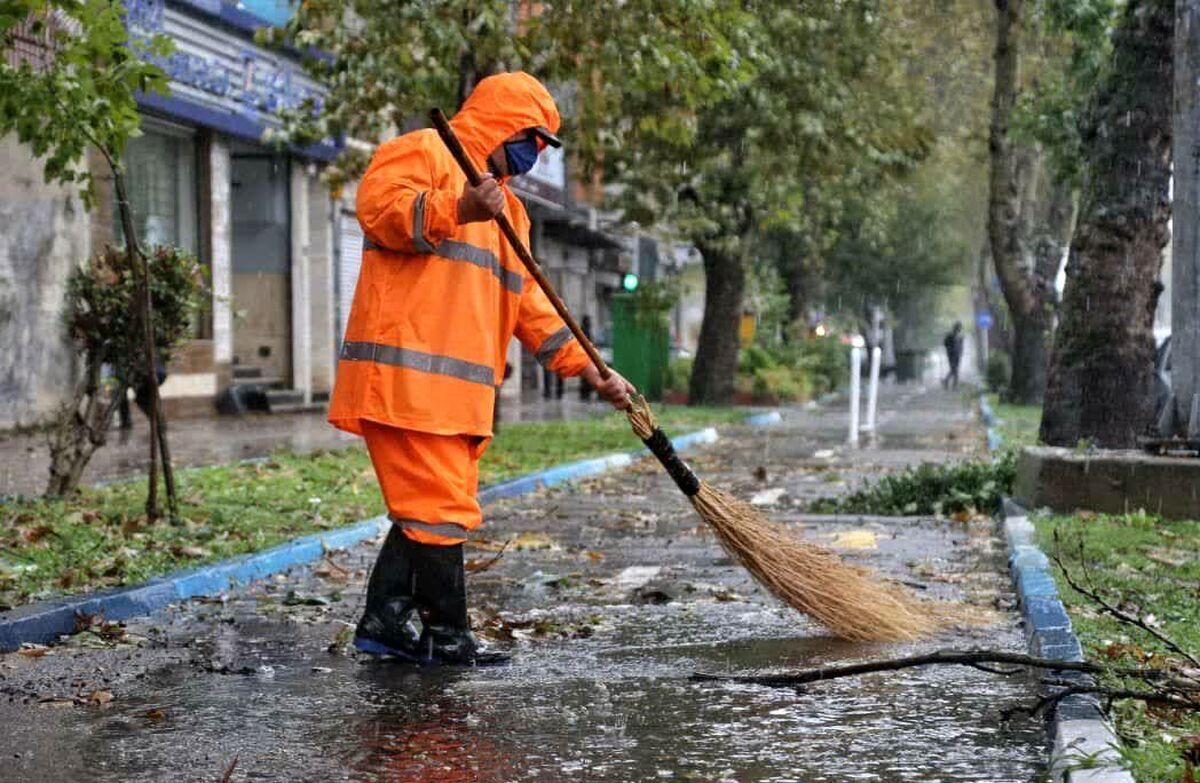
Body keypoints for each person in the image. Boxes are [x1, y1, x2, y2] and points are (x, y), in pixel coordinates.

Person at [328, 72, 634, 665]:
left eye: (544, 145)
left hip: (457, 400)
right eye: (532, 138)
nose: (535, 154)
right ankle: (449, 637)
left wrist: (592, 368)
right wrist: (458, 206)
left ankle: (386, 621)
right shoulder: (423, 152)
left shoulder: (511, 214)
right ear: (504, 124)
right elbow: (379, 210)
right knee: (440, 512)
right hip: (404, 384)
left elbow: (531, 304)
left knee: (430, 509)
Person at [942, 321, 964, 390]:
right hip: (951, 355)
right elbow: (945, 344)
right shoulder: (950, 335)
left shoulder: (960, 336)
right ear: (955, 328)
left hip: (957, 355)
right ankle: (954, 386)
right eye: (958, 327)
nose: (959, 329)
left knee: (954, 370)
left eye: (960, 327)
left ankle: (946, 381)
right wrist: (950, 350)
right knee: (954, 370)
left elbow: (961, 346)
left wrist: (961, 352)